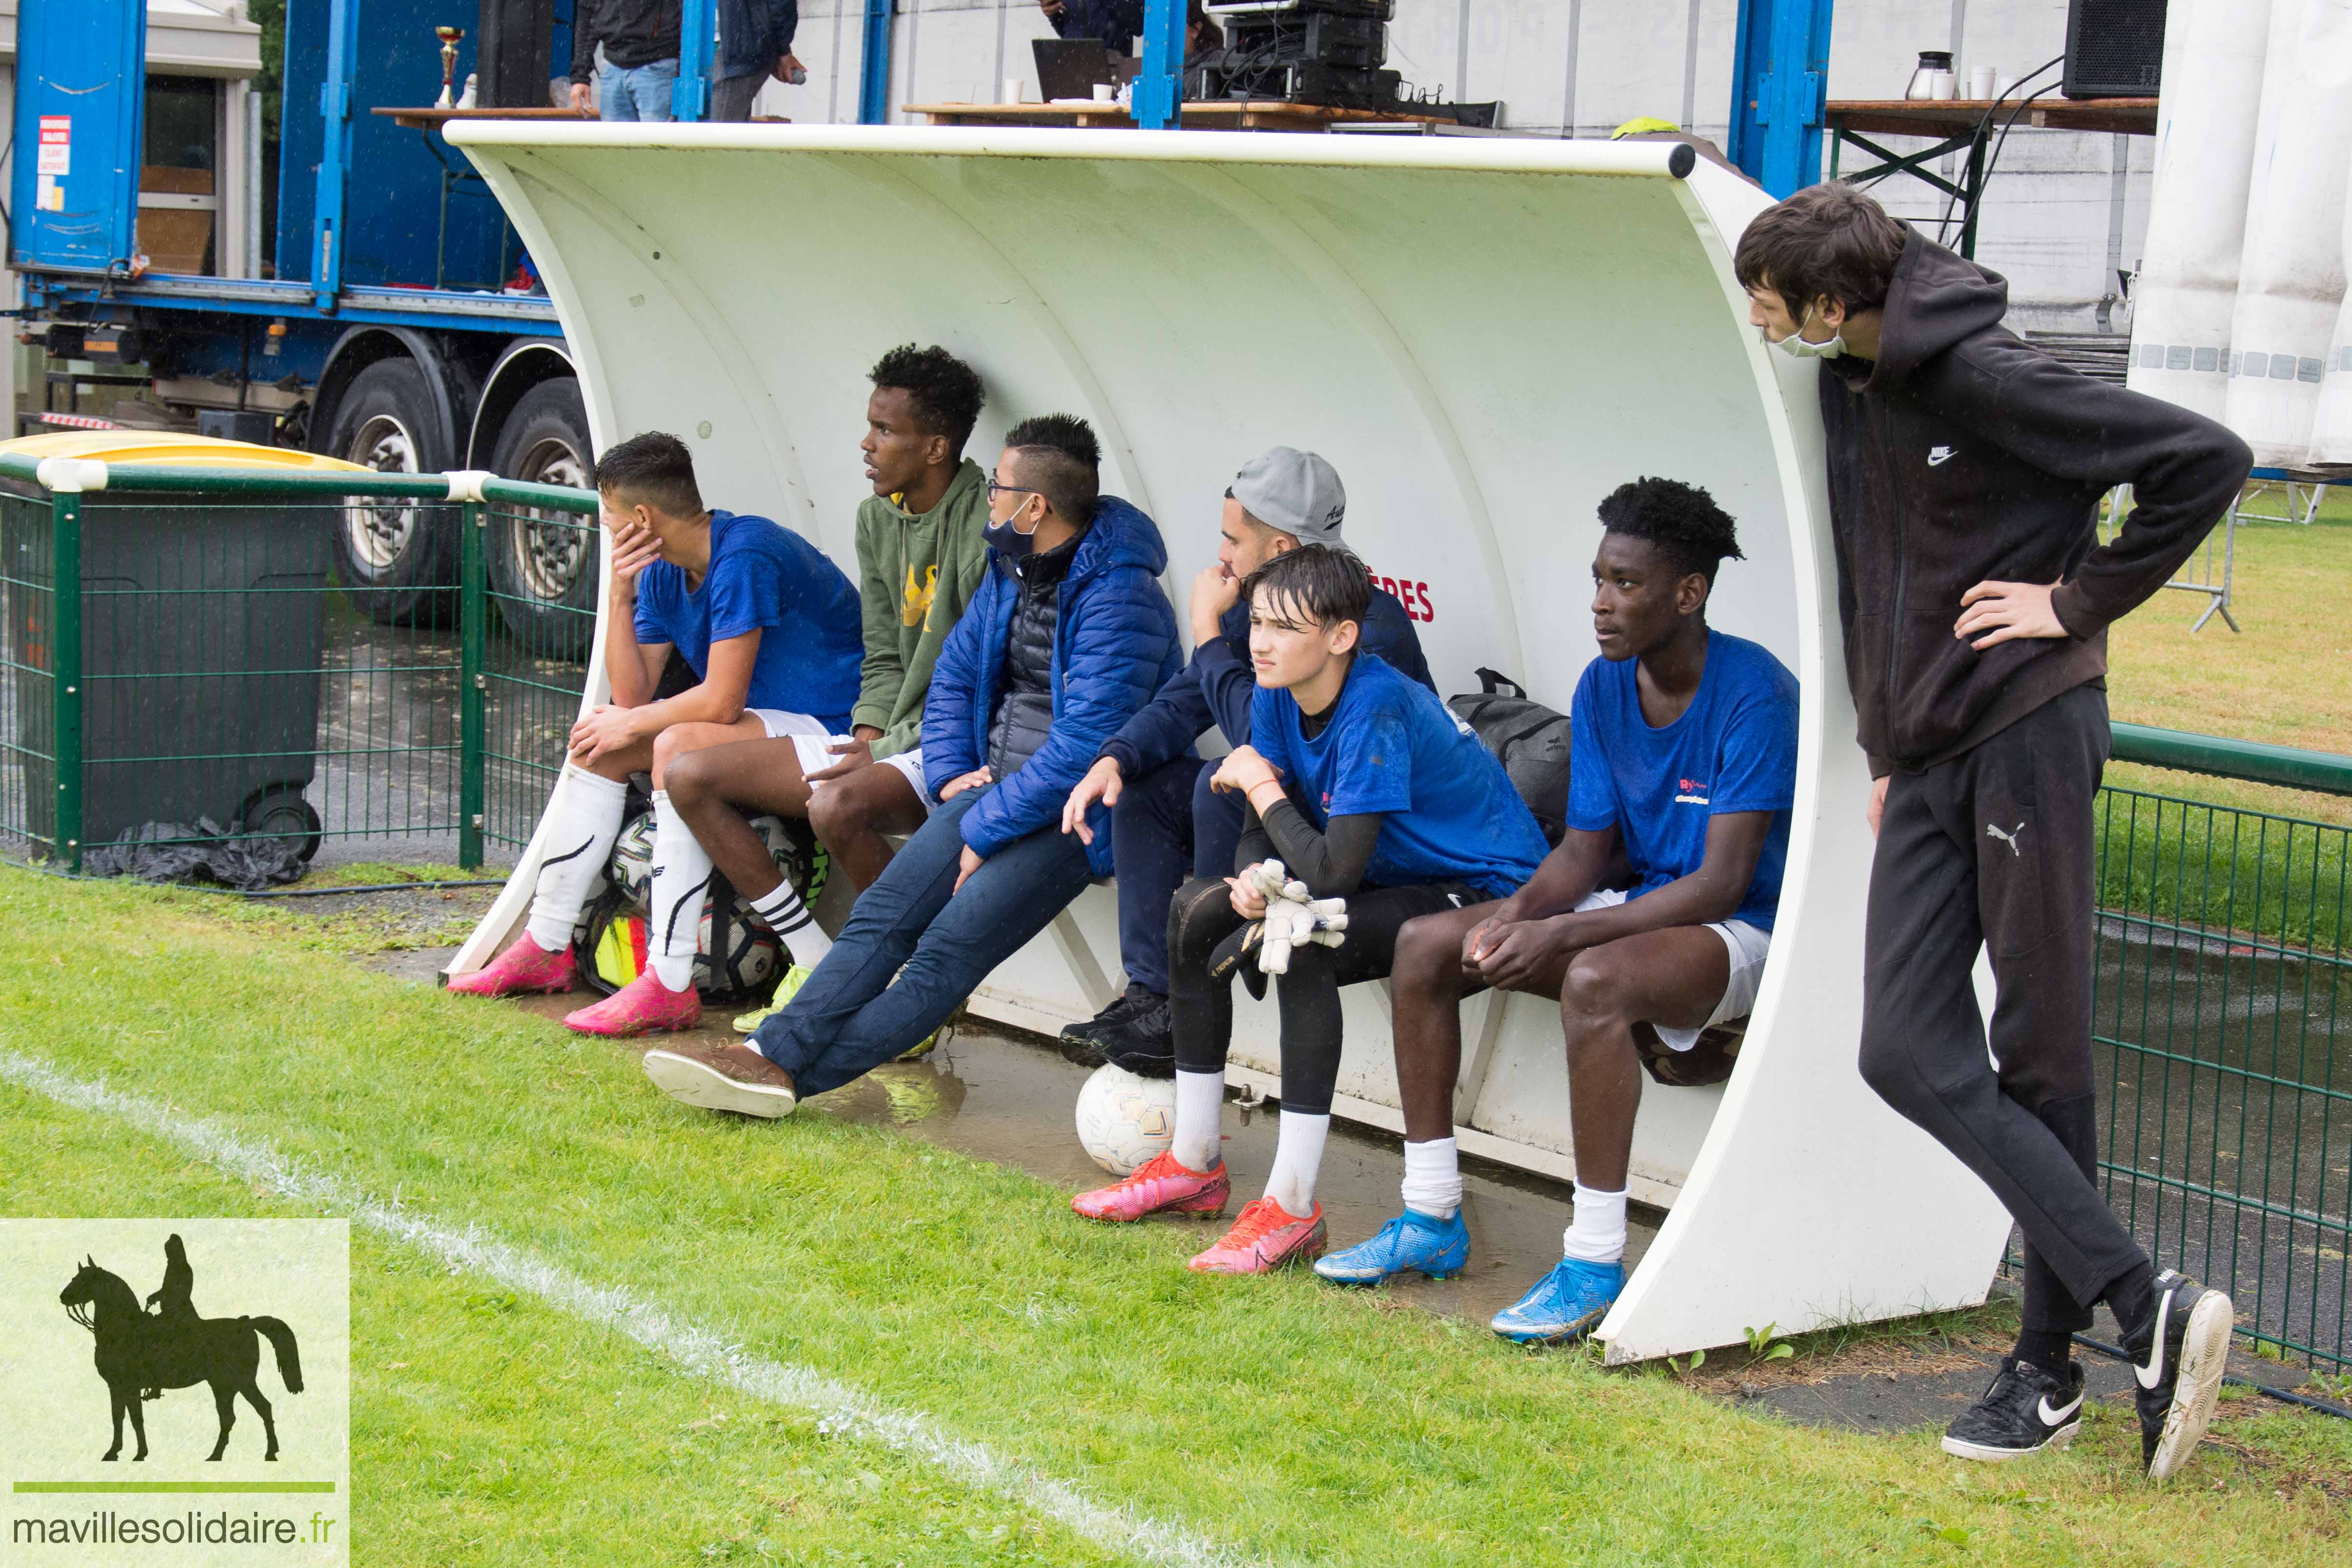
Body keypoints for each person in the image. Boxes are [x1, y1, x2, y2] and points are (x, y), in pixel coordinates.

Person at [1737, 181, 2250, 1478]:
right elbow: (1879, 576)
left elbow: (2203, 459)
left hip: (2027, 731)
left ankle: (2044, 1366)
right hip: (1925, 753)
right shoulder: (1849, 383)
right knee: (1903, 1046)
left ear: (1835, 304)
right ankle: (2148, 1305)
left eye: (1771, 300)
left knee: (2039, 1046)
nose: (1758, 319)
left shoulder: (1982, 373)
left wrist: (2079, 602)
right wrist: (1889, 741)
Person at [1327, 480, 1796, 1338]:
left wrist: (1561, 927)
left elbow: (1722, 884)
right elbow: (1581, 853)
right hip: (1647, 904)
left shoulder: (1752, 691)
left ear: (1687, 593)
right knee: (1428, 944)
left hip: (1744, 928)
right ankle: (1430, 1218)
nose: (1600, 604)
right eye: (1597, 580)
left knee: (1592, 980)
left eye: (1625, 583)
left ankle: (1592, 1261)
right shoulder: (1603, 683)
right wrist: (1516, 914)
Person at [640, 415, 1179, 1116]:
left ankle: (789, 1074)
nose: (990, 500)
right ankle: (771, 1055)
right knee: (882, 917)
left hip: (1079, 815)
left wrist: (983, 828)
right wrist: (955, 772)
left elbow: (1084, 749)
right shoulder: (1012, 567)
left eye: (998, 487)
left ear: (1035, 506)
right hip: (991, 792)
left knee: (943, 952)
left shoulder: (1122, 596)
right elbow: (955, 671)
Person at [1070, 546, 1549, 1275]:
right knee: (1195, 910)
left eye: (1285, 627)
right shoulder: (1275, 684)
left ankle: (1292, 1207)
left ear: (1341, 636)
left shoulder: (1375, 703)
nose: (1260, 641)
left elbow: (1332, 866)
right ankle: (1195, 1163)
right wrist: (1250, 876)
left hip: (1483, 886)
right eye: (1256, 621)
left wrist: (1261, 789)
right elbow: (1272, 821)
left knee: (1305, 939)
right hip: (1390, 873)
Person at [450, 432, 864, 1038]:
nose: (607, 529)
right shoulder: (665, 571)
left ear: (641, 518)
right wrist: (618, 595)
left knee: (672, 744)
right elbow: (632, 696)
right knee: (602, 740)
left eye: (609, 518)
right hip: (764, 728)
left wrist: (632, 719)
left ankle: (671, 983)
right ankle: (546, 943)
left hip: (833, 732)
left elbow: (720, 702)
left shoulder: (743, 553)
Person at [1059, 448, 1433, 1077]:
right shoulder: (1265, 604)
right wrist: (1115, 757)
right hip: (1287, 818)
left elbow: (1260, 741)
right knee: (1148, 788)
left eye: (1233, 539)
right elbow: (1188, 698)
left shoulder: (1363, 625)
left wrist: (1206, 632)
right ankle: (1152, 997)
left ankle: (1187, 1008)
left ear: (1281, 546)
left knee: (1219, 781)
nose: (1222, 555)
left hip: (1358, 847)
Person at [665, 345, 991, 1032]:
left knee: (835, 806)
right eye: (869, 425)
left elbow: (979, 672)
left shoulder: (983, 522)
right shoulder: (877, 518)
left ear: (936, 446)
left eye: (886, 431)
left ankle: (918, 990)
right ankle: (814, 960)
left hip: (960, 744)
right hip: (892, 738)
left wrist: (890, 746)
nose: (866, 444)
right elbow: (882, 653)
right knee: (689, 773)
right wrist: (868, 733)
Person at [570, 0, 684, 122]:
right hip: (613, 68)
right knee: (619, 140)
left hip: (658, 65)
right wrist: (580, 76)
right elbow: (588, 10)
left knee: (657, 140)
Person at [711, 0, 803, 123]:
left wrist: (782, 49)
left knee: (719, 134)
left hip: (736, 53)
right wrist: (782, 49)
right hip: (734, 51)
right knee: (720, 133)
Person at [1038, 0, 1145, 59]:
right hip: (1072, 64)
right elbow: (1069, 29)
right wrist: (1053, 15)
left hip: (1114, 68)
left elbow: (1139, 24)